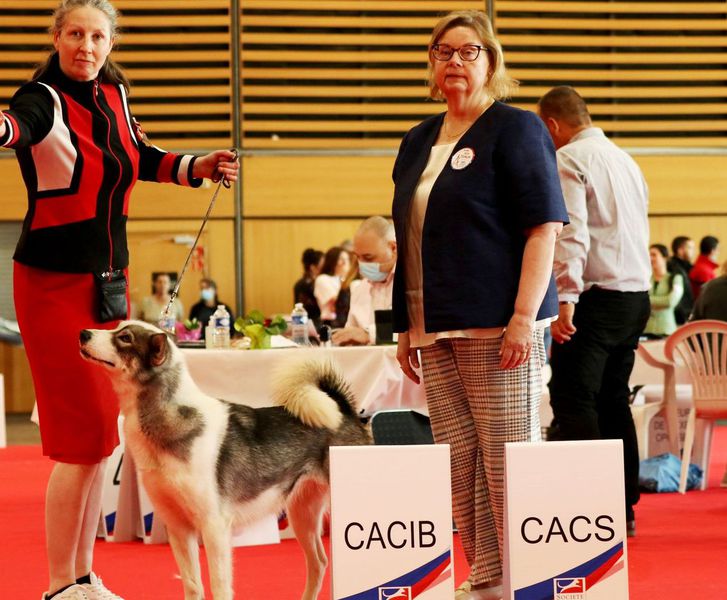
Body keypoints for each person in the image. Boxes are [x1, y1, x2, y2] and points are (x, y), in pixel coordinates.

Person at [0, 2, 239, 599]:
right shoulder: (43, 98)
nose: (86, 45)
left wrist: (199, 165)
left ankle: (83, 577)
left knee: (101, 441)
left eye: (98, 36)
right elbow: (14, 128)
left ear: (111, 43)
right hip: (53, 285)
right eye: (75, 34)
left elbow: (141, 158)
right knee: (78, 444)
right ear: (57, 38)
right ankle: (60, 585)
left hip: (108, 283)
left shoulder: (114, 94)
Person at [392, 11, 567, 599]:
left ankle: (531, 577)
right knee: (459, 460)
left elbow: (544, 228)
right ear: (431, 63)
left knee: (507, 457)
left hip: (500, 324)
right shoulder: (418, 139)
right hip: (433, 325)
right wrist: (405, 326)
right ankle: (488, 577)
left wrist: (523, 318)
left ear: (491, 62)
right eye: (444, 51)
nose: (455, 61)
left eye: (469, 51)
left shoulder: (516, 129)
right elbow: (408, 237)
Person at [537, 85, 650, 537]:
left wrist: (565, 298)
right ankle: (622, 506)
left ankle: (590, 505)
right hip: (635, 295)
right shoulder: (625, 160)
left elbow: (571, 234)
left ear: (552, 125)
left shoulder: (569, 159)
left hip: (596, 297)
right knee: (612, 398)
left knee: (572, 397)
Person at [332, 216, 397, 346]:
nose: (362, 264)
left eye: (368, 257)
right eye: (358, 257)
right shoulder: (360, 289)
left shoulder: (413, 283)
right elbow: (351, 333)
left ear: (393, 248)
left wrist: (368, 334)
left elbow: (415, 329)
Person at [643, 244, 683, 337]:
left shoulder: (676, 278)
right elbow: (638, 301)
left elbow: (671, 301)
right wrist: (660, 302)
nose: (650, 258)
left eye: (654, 255)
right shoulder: (645, 278)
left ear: (665, 257)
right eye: (649, 255)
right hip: (645, 330)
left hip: (666, 330)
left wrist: (647, 300)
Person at [313, 246, 350, 326]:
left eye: (347, 259)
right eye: (341, 259)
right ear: (332, 260)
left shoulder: (344, 280)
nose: (345, 262)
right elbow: (336, 304)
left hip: (345, 321)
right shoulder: (323, 279)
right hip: (331, 323)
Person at [292, 248, 323, 326]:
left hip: (302, 326)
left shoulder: (299, 284)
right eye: (323, 264)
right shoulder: (312, 285)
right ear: (313, 267)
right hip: (314, 326)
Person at [668, 236, 695, 325]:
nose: (693, 251)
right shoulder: (674, 268)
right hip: (679, 317)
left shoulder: (686, 268)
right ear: (680, 250)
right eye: (690, 248)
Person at [689, 235, 720, 299]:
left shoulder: (701, 266)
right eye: (718, 250)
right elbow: (710, 295)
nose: (718, 253)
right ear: (712, 251)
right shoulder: (704, 270)